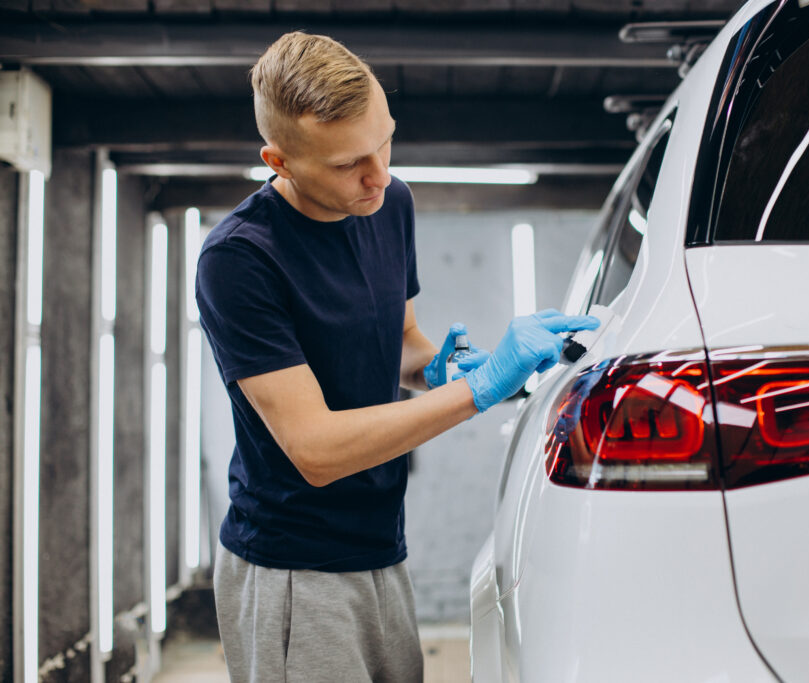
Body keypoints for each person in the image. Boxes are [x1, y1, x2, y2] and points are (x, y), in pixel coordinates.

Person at [195, 31, 599, 683]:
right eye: (348, 163)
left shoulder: (388, 204)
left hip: (381, 543)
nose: (378, 174)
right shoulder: (239, 260)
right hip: (295, 566)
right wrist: (480, 389)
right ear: (281, 162)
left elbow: (402, 341)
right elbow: (316, 449)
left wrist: (436, 366)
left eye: (384, 141)